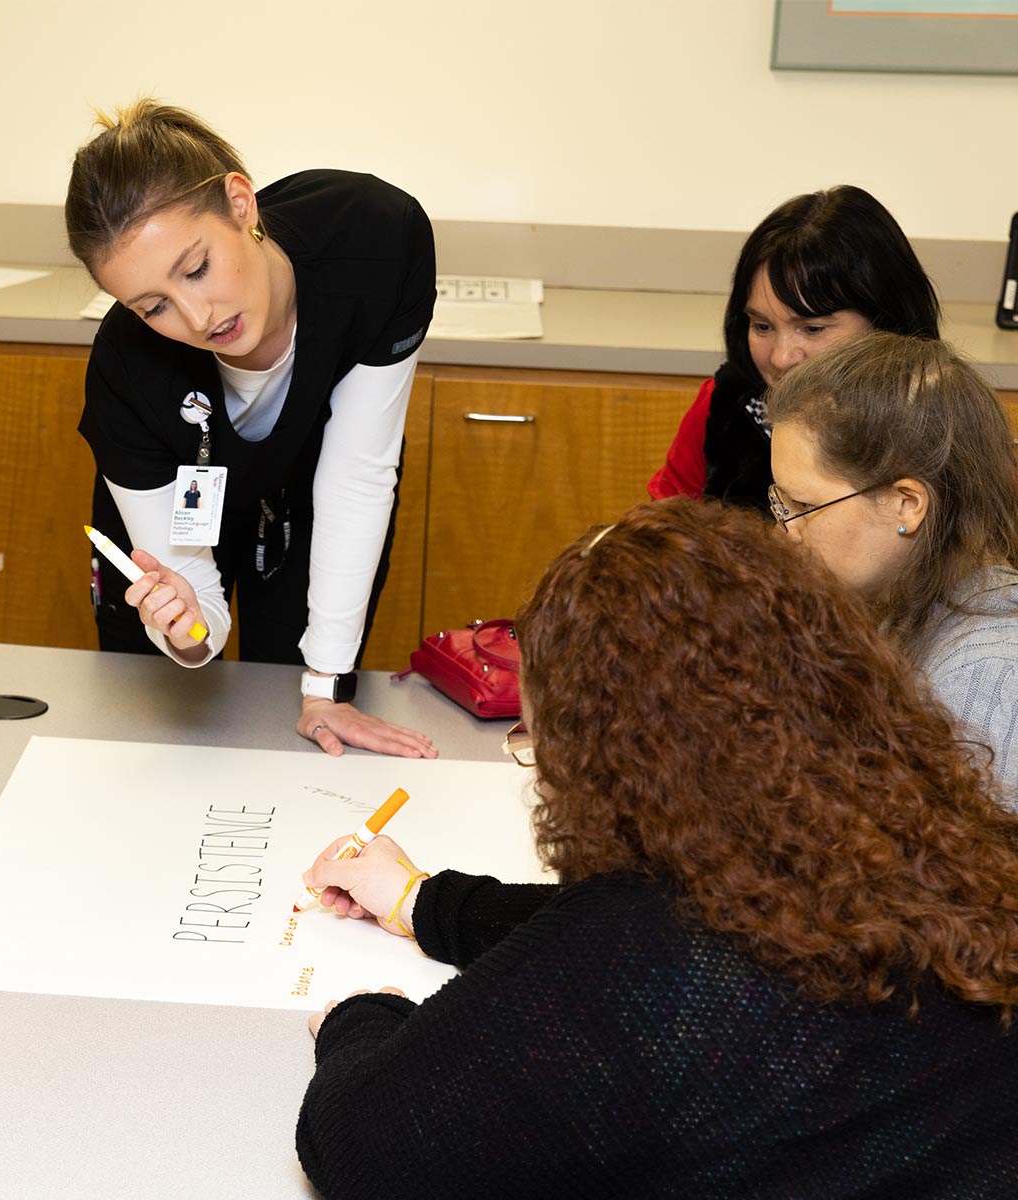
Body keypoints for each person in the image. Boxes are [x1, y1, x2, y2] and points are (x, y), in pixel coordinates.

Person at [294, 500, 1018, 1200]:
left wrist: (361, 1017)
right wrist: (423, 901)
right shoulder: (927, 847)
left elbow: (364, 1149)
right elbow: (604, 936)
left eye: (539, 742)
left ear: (607, 758)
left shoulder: (651, 969)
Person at [65, 100, 437, 759]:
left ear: (240, 204)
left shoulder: (375, 243)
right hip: (184, 491)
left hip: (317, 487)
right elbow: (195, 611)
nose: (197, 315)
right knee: (157, 734)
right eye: (153, 306)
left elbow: (358, 472)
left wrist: (323, 688)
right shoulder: (130, 366)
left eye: (197, 268)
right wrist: (186, 630)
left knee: (298, 713)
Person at [766, 331, 1018, 798]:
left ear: (907, 504)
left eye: (801, 504)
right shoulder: (896, 605)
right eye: (778, 502)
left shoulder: (986, 676)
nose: (786, 532)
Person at [649, 186, 940, 512]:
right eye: (762, 327)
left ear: (886, 323)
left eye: (812, 329)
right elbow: (664, 534)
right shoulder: (724, 404)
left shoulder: (938, 425)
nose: (781, 358)